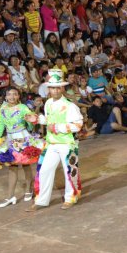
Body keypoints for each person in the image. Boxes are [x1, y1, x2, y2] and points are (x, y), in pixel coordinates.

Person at [25, 69, 84, 211]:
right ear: (48, 89)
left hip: (67, 144)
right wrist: (37, 119)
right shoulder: (48, 103)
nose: (55, 91)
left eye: (57, 88)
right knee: (44, 171)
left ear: (62, 88)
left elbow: (78, 125)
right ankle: (41, 200)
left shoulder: (70, 105)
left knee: (69, 171)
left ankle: (70, 198)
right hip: (51, 143)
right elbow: (48, 120)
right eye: (52, 88)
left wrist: (57, 127)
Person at [0, 86, 44, 207]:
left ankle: (29, 189)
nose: (12, 97)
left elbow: (30, 118)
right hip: (10, 140)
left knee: (26, 165)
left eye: (15, 94)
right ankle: (10, 196)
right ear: (5, 96)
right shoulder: (3, 108)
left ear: (18, 96)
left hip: (23, 139)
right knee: (12, 167)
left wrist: (32, 118)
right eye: (9, 94)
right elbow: (1, 124)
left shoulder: (23, 107)